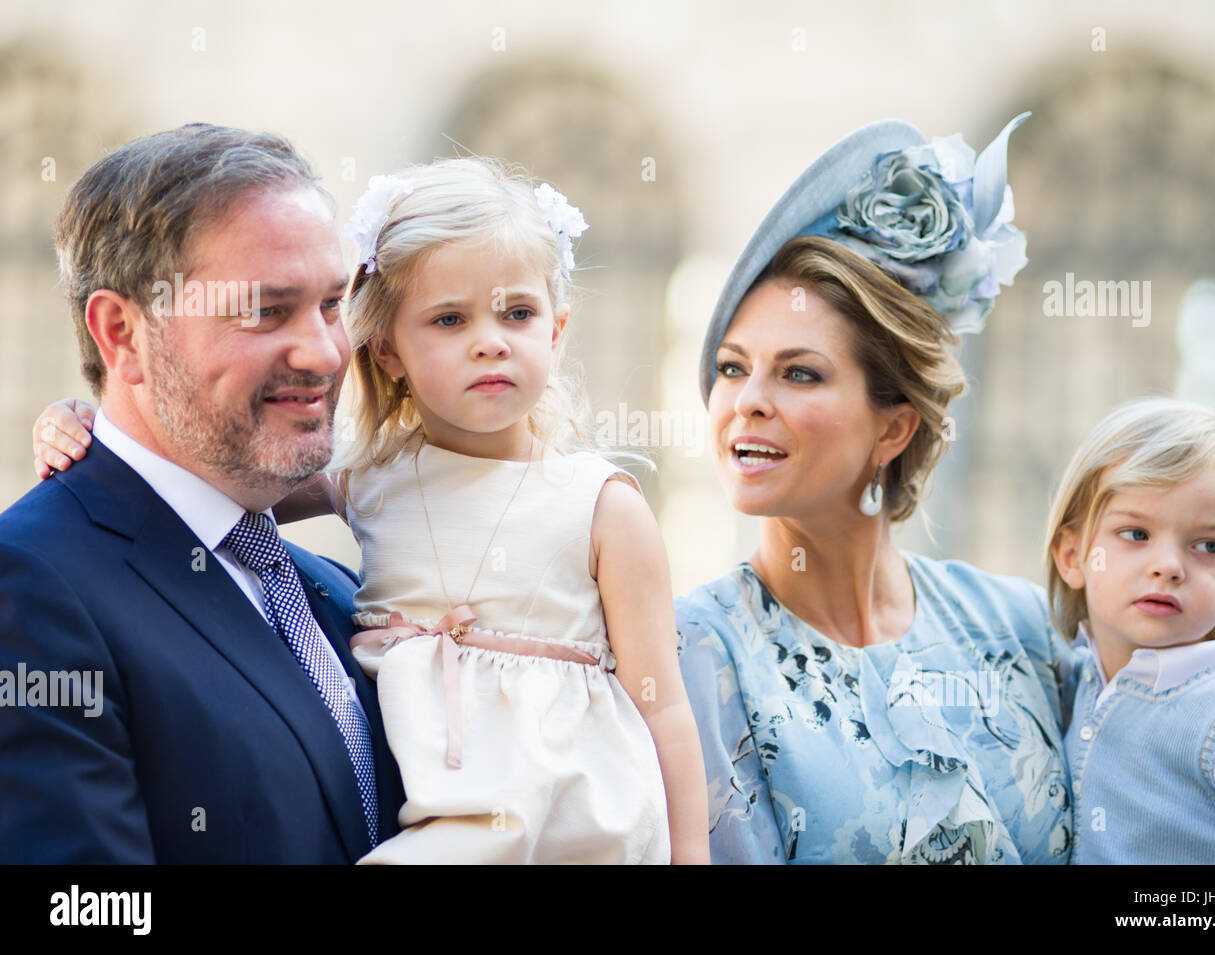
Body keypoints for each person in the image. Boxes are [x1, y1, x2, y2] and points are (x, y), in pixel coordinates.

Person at [35, 157, 710, 864]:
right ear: (386, 350)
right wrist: (88, 427)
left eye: (518, 313)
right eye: (450, 318)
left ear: (558, 327)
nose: (490, 339)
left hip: (582, 817)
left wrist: (689, 856)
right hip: (445, 823)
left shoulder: (601, 504)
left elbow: (661, 703)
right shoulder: (372, 479)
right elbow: (203, 483)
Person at [674, 112, 1077, 863]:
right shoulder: (694, 651)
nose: (747, 399)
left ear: (893, 429)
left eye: (799, 372)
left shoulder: (1016, 624)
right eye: (733, 366)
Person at [2, 124, 403, 863]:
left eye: (329, 304)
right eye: (264, 310)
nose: (322, 352)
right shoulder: (27, 588)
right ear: (122, 333)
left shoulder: (339, 593)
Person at [1046, 397, 1215, 864]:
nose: (1168, 567)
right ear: (1073, 555)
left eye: (1207, 545)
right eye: (1136, 534)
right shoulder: (1072, 681)